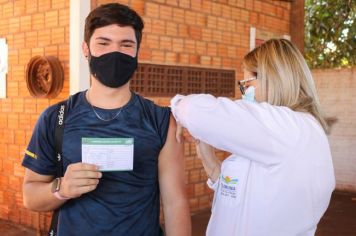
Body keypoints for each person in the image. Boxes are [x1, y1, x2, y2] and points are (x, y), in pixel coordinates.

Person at [22, 3, 191, 236]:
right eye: (103, 43)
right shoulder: (55, 118)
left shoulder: (161, 121)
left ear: (136, 51)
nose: (115, 52)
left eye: (126, 44)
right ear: (85, 49)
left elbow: (176, 204)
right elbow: (30, 196)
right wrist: (63, 188)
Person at [170, 39, 335, 236]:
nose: (244, 93)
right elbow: (245, 191)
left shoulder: (287, 128)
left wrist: (178, 106)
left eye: (247, 83)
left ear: (274, 78)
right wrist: (210, 161)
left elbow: (195, 110)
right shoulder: (281, 131)